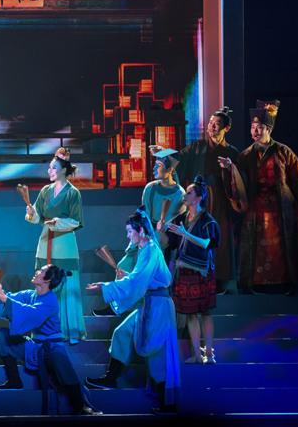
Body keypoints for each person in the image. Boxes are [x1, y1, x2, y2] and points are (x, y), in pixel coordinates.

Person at [85, 208, 180, 414]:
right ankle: (111, 378)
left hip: (158, 307)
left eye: (130, 231)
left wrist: (104, 287)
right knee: (122, 332)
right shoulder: (145, 249)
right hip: (150, 303)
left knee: (157, 350)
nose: (128, 236)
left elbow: (138, 282)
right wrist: (124, 278)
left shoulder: (151, 249)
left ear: (141, 231)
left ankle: (167, 401)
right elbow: (140, 279)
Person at [0, 264, 100, 415]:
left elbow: (31, 313)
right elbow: (10, 300)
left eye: (41, 271)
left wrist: (3, 298)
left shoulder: (50, 300)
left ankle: (80, 404)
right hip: (34, 346)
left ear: (48, 279)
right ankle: (14, 380)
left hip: (52, 346)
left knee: (60, 359)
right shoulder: (30, 294)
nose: (37, 272)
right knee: (2, 335)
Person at [221, 100, 298, 293]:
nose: (255, 131)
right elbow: (239, 183)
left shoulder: (284, 152)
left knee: (281, 248)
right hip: (256, 210)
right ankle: (256, 284)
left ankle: (284, 283)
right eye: (253, 128)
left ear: (268, 129)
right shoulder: (245, 155)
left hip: (281, 209)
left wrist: (297, 207)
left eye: (259, 127)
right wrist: (230, 169)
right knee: (257, 249)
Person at [150, 106, 240, 293]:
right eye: (210, 123)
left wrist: (231, 168)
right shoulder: (197, 148)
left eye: (217, 124)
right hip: (198, 201)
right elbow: (179, 159)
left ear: (226, 128)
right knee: (194, 235)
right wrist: (162, 152)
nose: (212, 127)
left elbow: (239, 181)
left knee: (218, 239)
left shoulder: (231, 152)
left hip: (220, 201)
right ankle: (198, 277)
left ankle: (219, 279)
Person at [25, 147, 86, 344]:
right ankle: (43, 331)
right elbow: (37, 216)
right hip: (45, 240)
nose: (49, 171)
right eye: (49, 167)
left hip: (64, 242)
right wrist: (32, 213)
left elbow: (75, 221)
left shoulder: (73, 193)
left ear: (63, 170)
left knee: (66, 288)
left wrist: (57, 222)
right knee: (44, 285)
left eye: (53, 167)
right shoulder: (45, 191)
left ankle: (69, 331)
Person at [167, 177, 221, 364]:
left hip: (201, 271)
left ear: (198, 198)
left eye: (189, 192)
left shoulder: (207, 220)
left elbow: (207, 243)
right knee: (190, 314)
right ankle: (197, 354)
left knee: (205, 312)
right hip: (185, 271)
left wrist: (185, 233)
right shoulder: (182, 218)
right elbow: (170, 239)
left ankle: (210, 353)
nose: (185, 195)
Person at [142, 149, 186, 248]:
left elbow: (169, 221)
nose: (154, 168)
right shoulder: (150, 188)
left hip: (168, 239)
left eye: (159, 165)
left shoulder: (180, 194)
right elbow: (145, 215)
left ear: (169, 170)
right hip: (148, 236)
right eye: (155, 164)